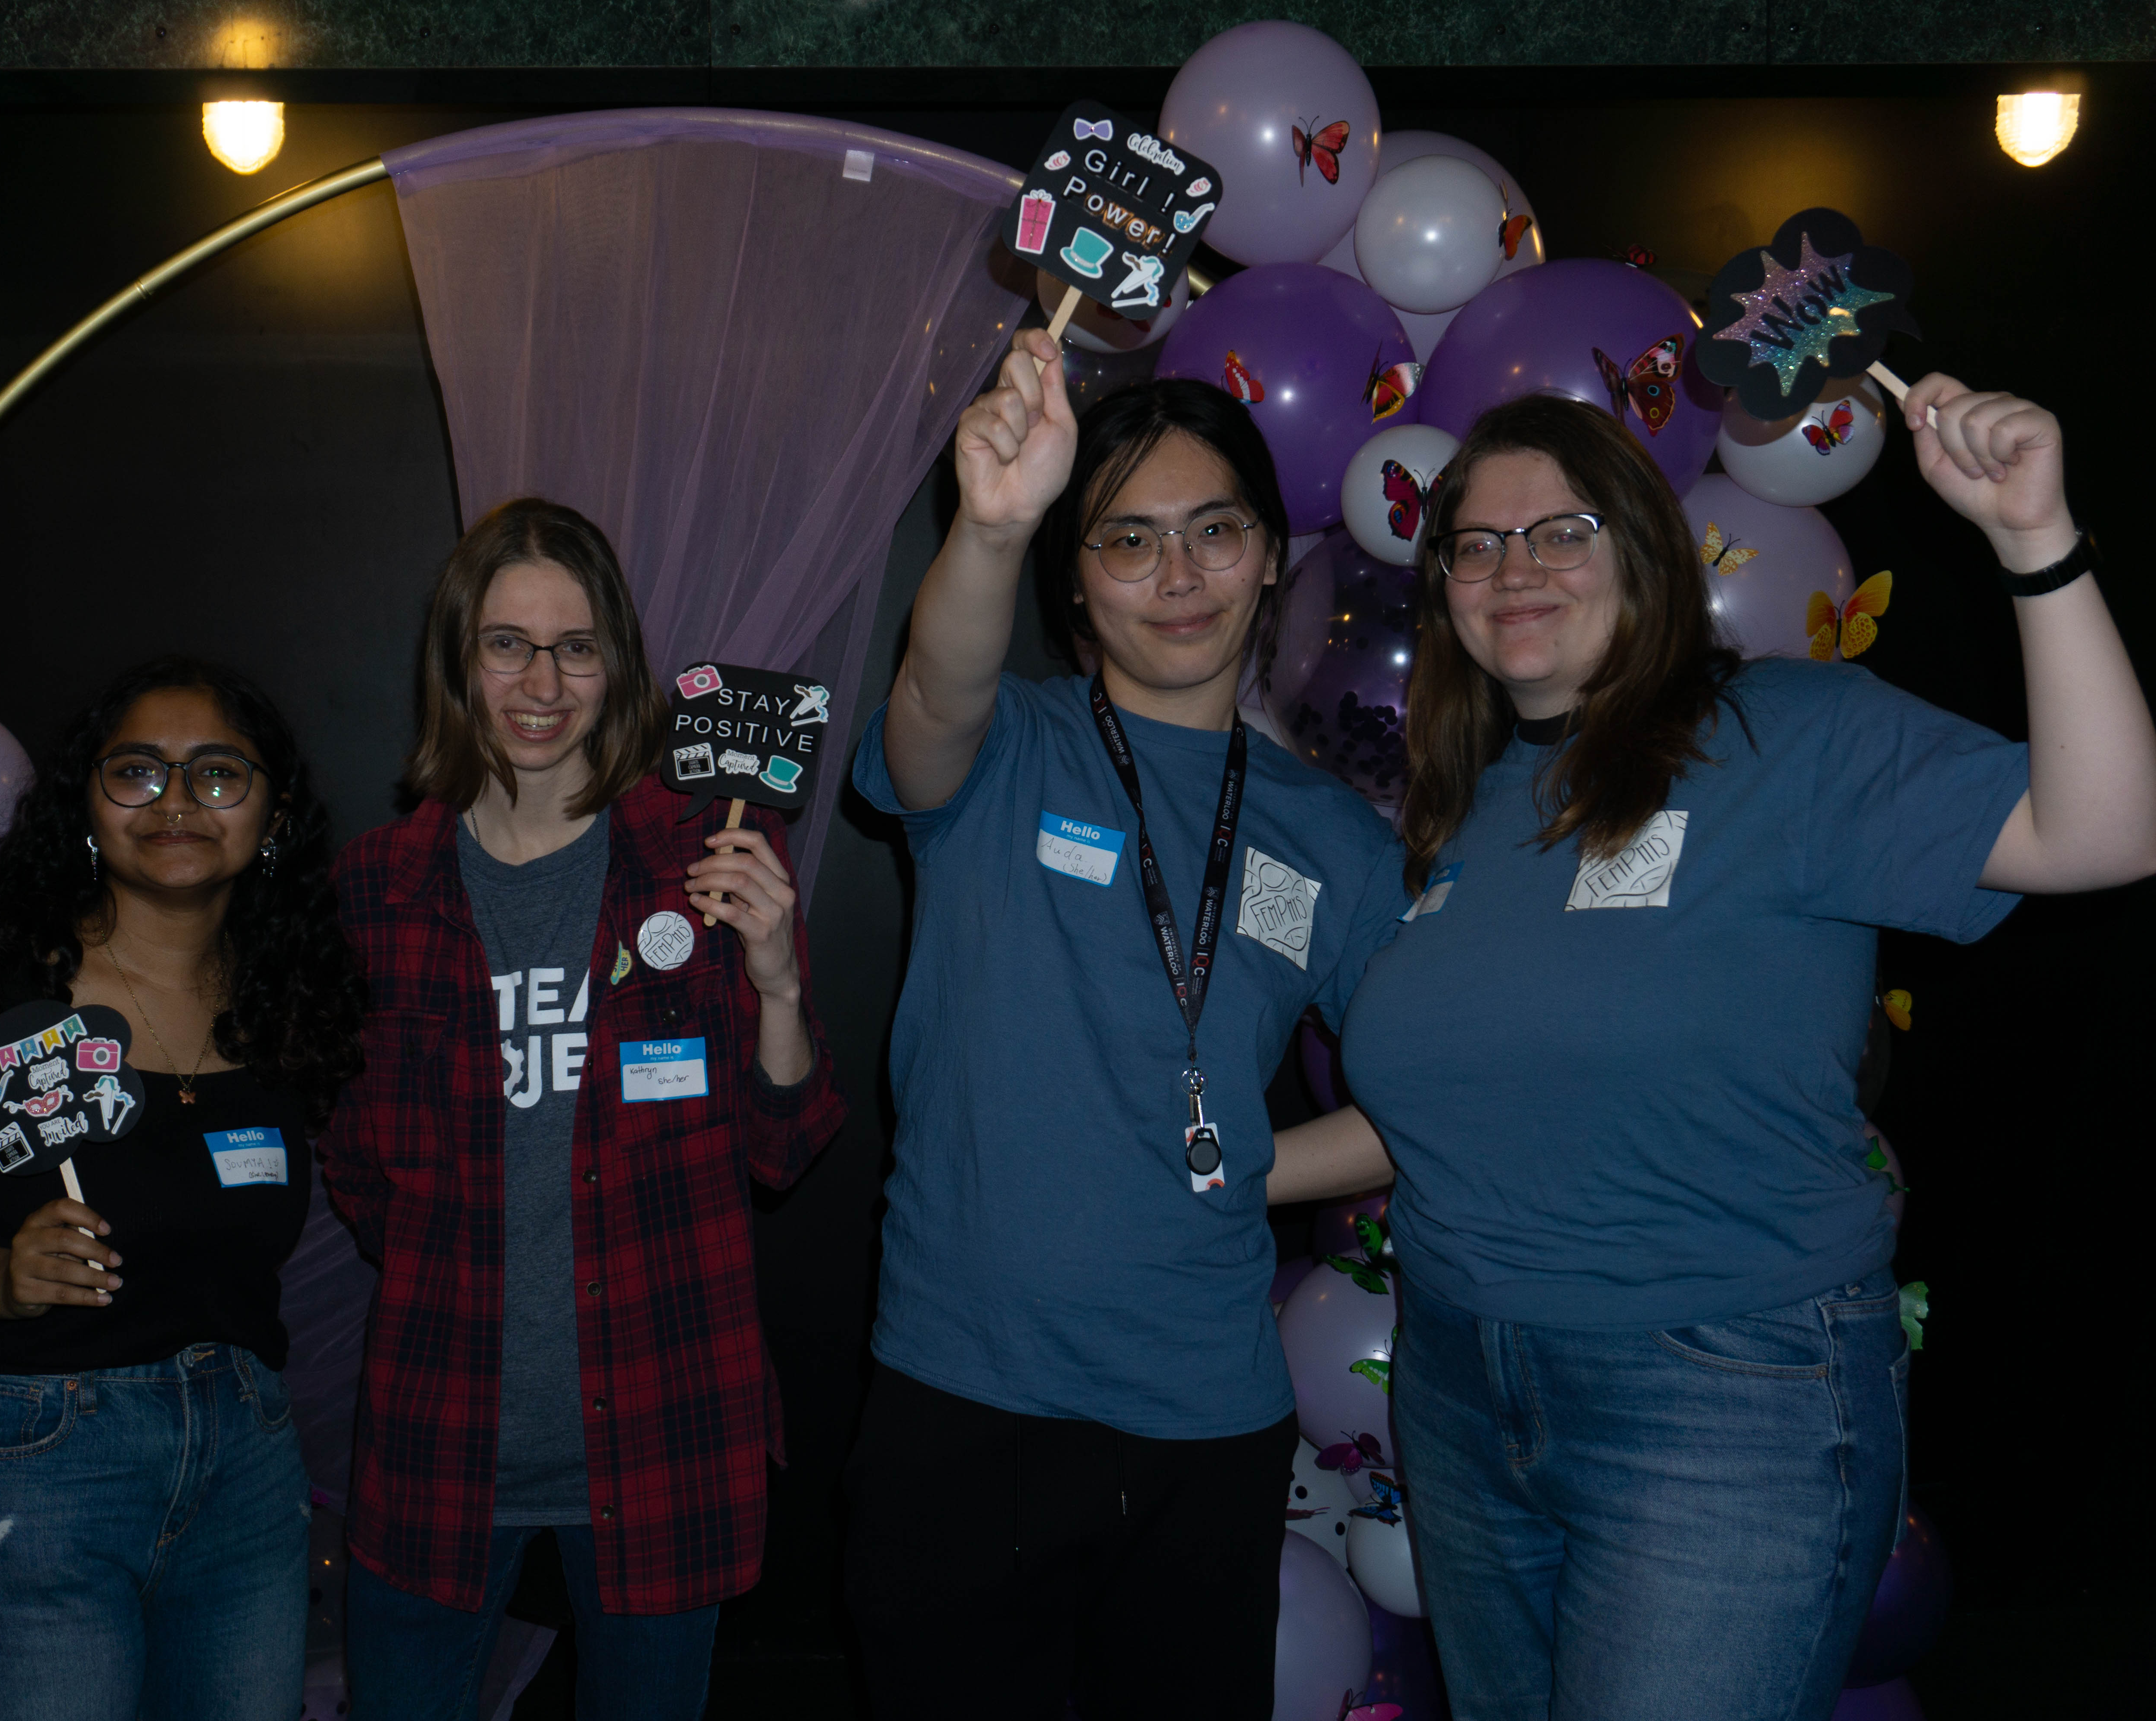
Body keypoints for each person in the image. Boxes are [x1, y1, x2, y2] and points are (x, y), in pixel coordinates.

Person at [1285, 380, 2156, 1718]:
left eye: (1561, 531)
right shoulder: (1464, 806)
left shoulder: (1788, 730)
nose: (1514, 568)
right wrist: (1214, 1174)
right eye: (1477, 542)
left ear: (1642, 551)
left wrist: (2038, 541)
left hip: (1721, 1399)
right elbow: (1454, 1110)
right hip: (1460, 1388)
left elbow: (2105, 833)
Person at [843, 327, 1407, 1718]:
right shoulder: (1006, 748)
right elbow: (930, 700)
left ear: (1273, 554)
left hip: (1206, 1423)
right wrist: (991, 524)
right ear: (1076, 587)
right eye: (1127, 542)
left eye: (1216, 532)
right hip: (963, 1404)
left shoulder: (1336, 840)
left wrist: (1263, 1167)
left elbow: (1435, 1105)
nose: (1178, 578)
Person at [322, 497, 846, 1721]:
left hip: (668, 1432)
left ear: (619, 666)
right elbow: (356, 1167)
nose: (542, 681)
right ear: (459, 663)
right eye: (508, 644)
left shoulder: (709, 861)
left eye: (575, 646)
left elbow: (783, 1150)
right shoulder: (379, 889)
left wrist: (774, 983)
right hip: (439, 1445)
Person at [0, 657, 367, 1721]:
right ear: (86, 803)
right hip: (32, 1462)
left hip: (246, 1461)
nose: (174, 801)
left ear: (276, 813)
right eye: (136, 771)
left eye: (218, 773)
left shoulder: (289, 997)